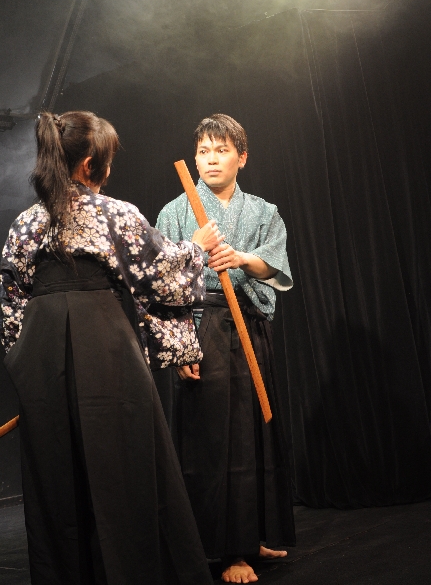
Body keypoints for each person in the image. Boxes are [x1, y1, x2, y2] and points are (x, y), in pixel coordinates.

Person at [0, 110, 222, 585]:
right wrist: (197, 247)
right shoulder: (114, 213)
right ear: (89, 165)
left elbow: (11, 301)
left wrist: (23, 361)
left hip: (40, 358)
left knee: (57, 476)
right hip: (104, 345)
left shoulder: (24, 224)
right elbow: (162, 275)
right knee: (123, 465)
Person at [156, 113, 296, 583]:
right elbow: (162, 286)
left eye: (221, 150)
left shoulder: (263, 211)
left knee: (254, 434)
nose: (211, 159)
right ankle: (226, 549)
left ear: (242, 157)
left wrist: (239, 258)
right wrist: (181, 348)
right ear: (194, 159)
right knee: (215, 440)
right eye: (203, 151)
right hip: (203, 329)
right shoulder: (175, 212)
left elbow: (274, 265)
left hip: (249, 326)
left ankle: (252, 534)